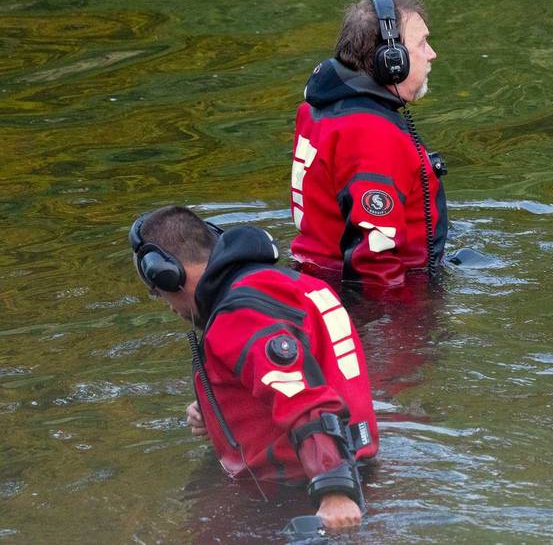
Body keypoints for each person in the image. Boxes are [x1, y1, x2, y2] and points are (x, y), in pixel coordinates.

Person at [129, 206, 378, 531]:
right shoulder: (292, 285)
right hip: (356, 470)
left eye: (157, 292)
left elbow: (303, 397)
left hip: (301, 499)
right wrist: (217, 409)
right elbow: (313, 372)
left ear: (167, 273)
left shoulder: (239, 315)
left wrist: (334, 491)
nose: (166, 304)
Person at [290, 0, 448, 288]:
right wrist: (392, 327)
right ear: (392, 60)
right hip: (384, 297)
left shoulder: (318, 110)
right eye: (422, 43)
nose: (431, 54)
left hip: (318, 277)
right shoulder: (372, 134)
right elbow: (373, 260)